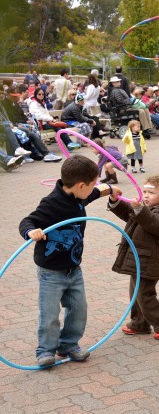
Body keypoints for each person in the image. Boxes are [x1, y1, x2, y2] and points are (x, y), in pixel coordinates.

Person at [19, 155, 120, 367]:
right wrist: (31, 231)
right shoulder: (52, 203)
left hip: (74, 268)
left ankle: (68, 345)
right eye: (93, 183)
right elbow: (27, 221)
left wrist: (110, 191)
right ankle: (45, 350)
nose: (95, 187)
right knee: (50, 312)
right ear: (81, 184)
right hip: (51, 271)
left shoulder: (78, 195)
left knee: (78, 308)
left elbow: (93, 194)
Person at [107, 174, 159, 339]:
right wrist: (116, 202)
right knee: (135, 293)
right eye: (145, 191)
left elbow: (154, 224)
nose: (146, 195)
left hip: (149, 260)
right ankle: (139, 324)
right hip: (138, 257)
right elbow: (130, 214)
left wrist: (139, 209)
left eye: (152, 193)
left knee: (144, 294)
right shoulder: (144, 208)